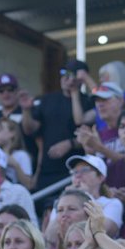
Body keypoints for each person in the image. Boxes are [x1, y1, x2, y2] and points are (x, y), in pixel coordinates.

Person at [21, 60, 92, 191]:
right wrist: (26, 110)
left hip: (74, 171)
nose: (67, 78)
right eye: (64, 73)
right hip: (46, 170)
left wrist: (69, 143)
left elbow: (91, 135)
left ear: (80, 79)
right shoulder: (47, 99)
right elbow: (30, 130)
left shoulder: (87, 101)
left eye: (72, 75)